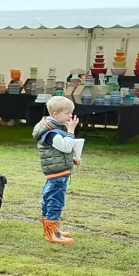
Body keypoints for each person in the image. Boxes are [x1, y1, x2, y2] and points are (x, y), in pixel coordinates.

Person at [33, 97, 80, 244]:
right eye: (67, 113)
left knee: (49, 198)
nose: (70, 116)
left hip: (56, 172)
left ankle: (49, 229)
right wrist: (71, 131)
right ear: (55, 114)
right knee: (55, 201)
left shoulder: (53, 130)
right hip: (57, 175)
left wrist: (71, 160)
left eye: (71, 113)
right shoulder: (52, 133)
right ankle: (51, 233)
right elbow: (66, 147)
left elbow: (57, 153)